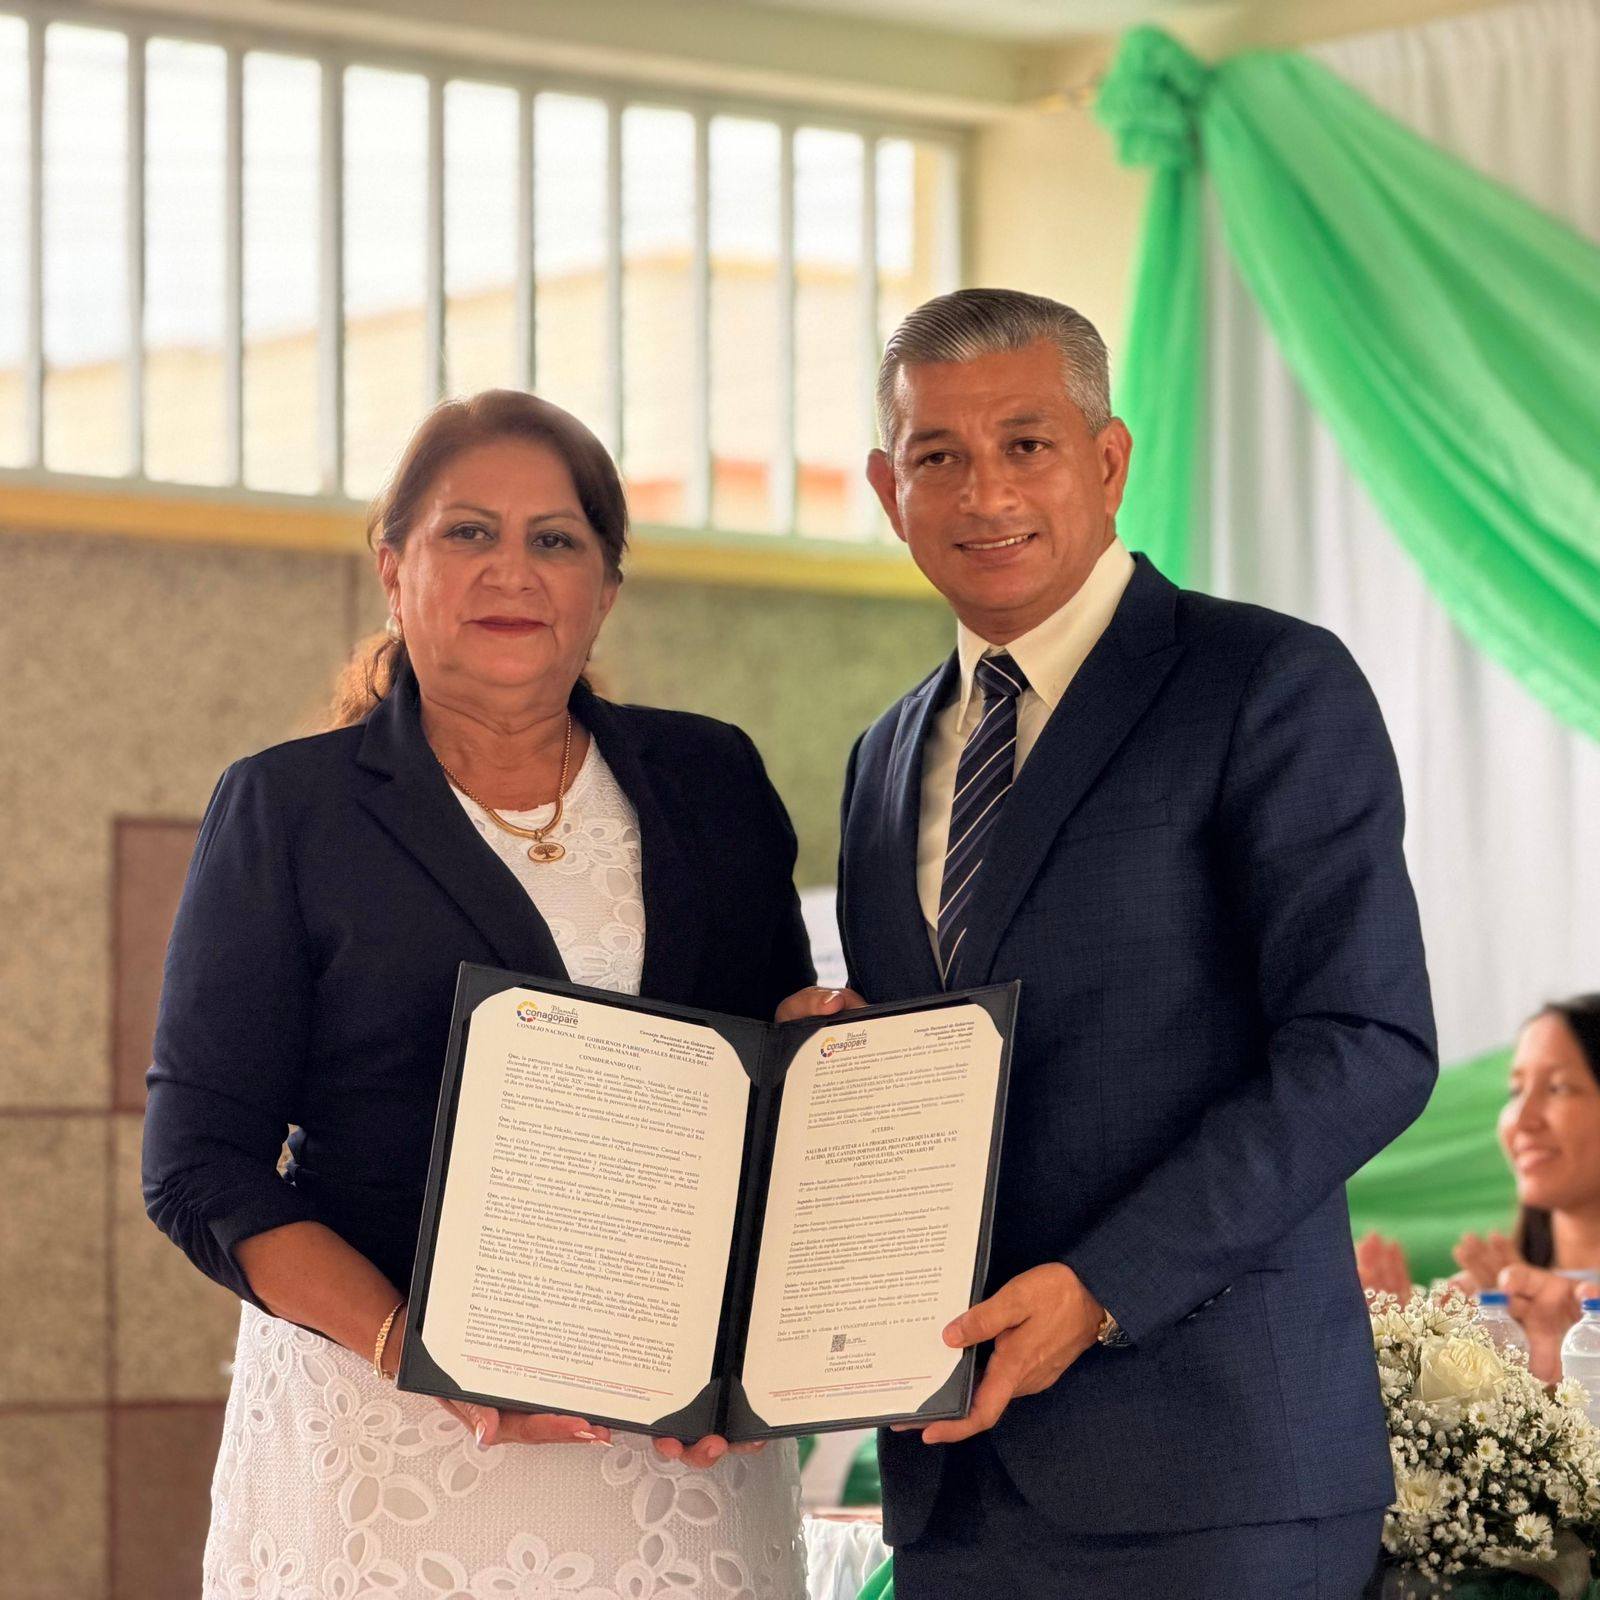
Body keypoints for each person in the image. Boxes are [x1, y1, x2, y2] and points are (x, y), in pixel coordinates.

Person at [784, 288, 1437, 1597]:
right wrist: (827, 1069)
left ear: (1108, 460)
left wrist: (1102, 1286)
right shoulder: (880, 757)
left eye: (1025, 444)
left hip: (1218, 1483)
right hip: (955, 1485)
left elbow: (1366, 1045)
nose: (985, 492)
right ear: (887, 490)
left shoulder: (1263, 684)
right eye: (937, 456)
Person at [143, 390, 813, 1599]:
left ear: (606, 586)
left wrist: (827, 1062)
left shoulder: (711, 778)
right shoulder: (289, 809)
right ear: (393, 569)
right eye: (468, 532)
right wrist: (415, 1348)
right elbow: (199, 1166)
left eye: (555, 538)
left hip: (671, 1468)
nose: (513, 569)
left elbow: (770, 1090)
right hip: (391, 1456)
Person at [1357, 994, 1600, 1380]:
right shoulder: (1481, 1301)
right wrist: (1399, 1349)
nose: (1522, 1118)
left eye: (1558, 1088)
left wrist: (1560, 1361)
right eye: (1516, 1091)